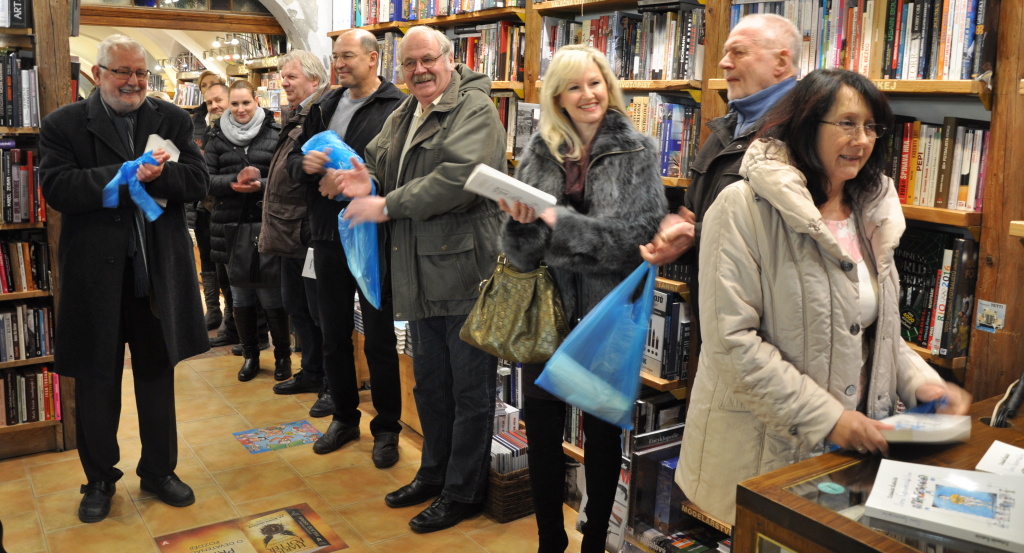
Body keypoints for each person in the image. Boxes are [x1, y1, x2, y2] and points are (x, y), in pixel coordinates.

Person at [676, 68, 972, 525]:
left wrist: (920, 382)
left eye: (871, 127)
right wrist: (829, 418)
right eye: (847, 123)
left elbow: (870, 326)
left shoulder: (870, 211)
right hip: (763, 451)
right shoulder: (742, 207)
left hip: (847, 455)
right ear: (807, 125)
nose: (862, 139)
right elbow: (732, 344)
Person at [337, 25, 505, 533]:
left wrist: (386, 204)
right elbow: (375, 160)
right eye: (409, 63)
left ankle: (463, 491)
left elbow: (460, 179)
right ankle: (433, 473)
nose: (419, 70)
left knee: (470, 391)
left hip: (466, 272)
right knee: (431, 386)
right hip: (417, 270)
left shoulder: (475, 109)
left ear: (450, 59)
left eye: (427, 59)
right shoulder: (405, 111)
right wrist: (358, 176)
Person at [499, 45, 666, 553]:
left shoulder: (638, 150)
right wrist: (521, 225)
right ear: (558, 97)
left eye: (595, 83)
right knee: (541, 431)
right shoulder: (540, 150)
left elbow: (636, 240)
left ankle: (594, 541)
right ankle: (549, 540)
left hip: (607, 312)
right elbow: (520, 253)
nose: (588, 94)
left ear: (608, 87)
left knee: (602, 433)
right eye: (574, 86)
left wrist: (561, 225)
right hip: (545, 312)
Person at [39, 34, 210, 523]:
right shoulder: (64, 124)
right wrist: (124, 175)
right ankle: (98, 479)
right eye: (123, 72)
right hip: (95, 279)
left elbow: (197, 181)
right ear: (98, 74)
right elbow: (58, 188)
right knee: (96, 383)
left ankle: (159, 471)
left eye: (141, 73)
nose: (134, 82)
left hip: (155, 275)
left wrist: (160, 178)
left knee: (157, 377)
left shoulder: (172, 119)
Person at [287, 31, 406, 463]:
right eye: (335, 56)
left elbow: (400, 172)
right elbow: (292, 163)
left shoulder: (397, 107)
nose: (339, 64)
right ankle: (343, 417)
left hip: (374, 236)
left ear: (373, 58)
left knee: (379, 339)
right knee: (333, 333)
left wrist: (360, 184)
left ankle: (387, 427)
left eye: (348, 56)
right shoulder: (325, 106)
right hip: (327, 234)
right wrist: (306, 164)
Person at [640, 13, 800, 274]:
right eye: (726, 52)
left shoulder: (802, 132)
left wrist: (696, 234)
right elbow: (695, 214)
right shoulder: (724, 129)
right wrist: (678, 236)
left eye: (739, 52)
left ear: (781, 62)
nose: (724, 63)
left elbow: (790, 234)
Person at [258, 49, 333, 419]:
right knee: (297, 307)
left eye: (291, 77)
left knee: (321, 312)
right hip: (289, 231)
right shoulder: (295, 115)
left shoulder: (321, 114)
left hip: (308, 231)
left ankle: (332, 383)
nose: (283, 83)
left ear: (314, 80)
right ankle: (312, 371)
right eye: (282, 77)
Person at [205, 80, 291, 382]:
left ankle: (282, 357)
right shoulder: (216, 137)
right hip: (229, 228)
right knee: (239, 296)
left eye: (246, 103)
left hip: (267, 225)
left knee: (271, 296)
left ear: (257, 101)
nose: (240, 109)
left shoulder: (275, 133)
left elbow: (284, 178)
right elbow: (205, 180)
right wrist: (233, 182)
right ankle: (250, 355)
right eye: (235, 104)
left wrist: (260, 185)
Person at [197, 80, 231, 334]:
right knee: (208, 261)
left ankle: (231, 317)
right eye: (209, 102)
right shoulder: (204, 129)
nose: (214, 106)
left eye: (219, 100)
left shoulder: (233, 131)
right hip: (203, 206)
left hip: (226, 207)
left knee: (227, 267)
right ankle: (213, 310)